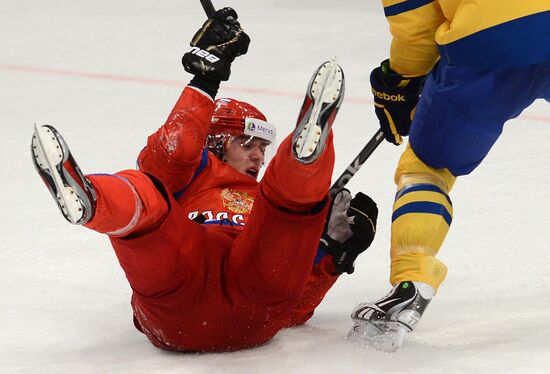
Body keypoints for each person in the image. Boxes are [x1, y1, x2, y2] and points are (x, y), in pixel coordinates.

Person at [31, 8, 379, 352]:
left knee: (289, 211)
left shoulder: (264, 195)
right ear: (213, 144)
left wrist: (334, 252)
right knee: (149, 192)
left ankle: (305, 156)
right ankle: (93, 200)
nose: (258, 155)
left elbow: (297, 308)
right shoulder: (190, 173)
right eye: (246, 144)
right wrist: (205, 79)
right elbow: (174, 150)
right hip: (193, 292)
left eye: (263, 147)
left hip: (228, 307)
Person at [348, 1, 550, 351]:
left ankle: (411, 283)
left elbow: (417, 29)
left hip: (487, 44)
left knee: (428, 165)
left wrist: (400, 82)